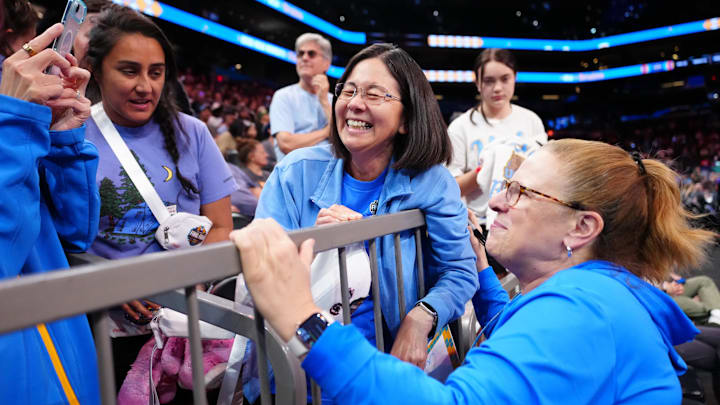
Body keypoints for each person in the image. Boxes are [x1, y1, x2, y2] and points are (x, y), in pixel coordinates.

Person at [235, 138, 716, 404]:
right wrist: (484, 271)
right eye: (507, 184)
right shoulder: (592, 296)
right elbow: (519, 335)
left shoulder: (582, 311)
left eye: (522, 192)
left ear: (582, 226)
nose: (499, 201)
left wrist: (303, 315)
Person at [256, 43, 478, 370]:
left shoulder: (432, 182)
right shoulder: (294, 171)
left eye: (374, 95)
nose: (355, 104)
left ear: (406, 119)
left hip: (384, 365)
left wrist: (421, 317)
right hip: (297, 361)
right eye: (348, 91)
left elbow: (459, 270)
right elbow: (259, 274)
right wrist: (317, 250)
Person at [82, 6, 235, 397]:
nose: (145, 86)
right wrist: (113, 281)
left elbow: (219, 226)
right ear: (98, 71)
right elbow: (59, 240)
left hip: (184, 324)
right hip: (102, 330)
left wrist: (180, 279)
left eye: (156, 72)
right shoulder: (73, 135)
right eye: (129, 71)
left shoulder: (193, 134)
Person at [0, 23, 100, 404]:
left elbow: (74, 232)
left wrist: (62, 139)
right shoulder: (8, 119)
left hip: (68, 361)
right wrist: (12, 121)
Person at [446, 48, 547, 228]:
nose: (498, 88)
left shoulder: (531, 121)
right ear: (477, 82)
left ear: (515, 77)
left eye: (505, 79)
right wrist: (485, 171)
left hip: (524, 223)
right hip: (480, 223)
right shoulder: (460, 127)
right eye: (489, 81)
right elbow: (450, 188)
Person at [269, 32, 333, 161]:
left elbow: (343, 140)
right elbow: (286, 144)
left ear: (326, 63)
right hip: (293, 177)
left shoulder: (333, 100)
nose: (304, 58)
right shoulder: (283, 96)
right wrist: (326, 132)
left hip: (329, 176)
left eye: (311, 54)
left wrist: (324, 101)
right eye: (300, 54)